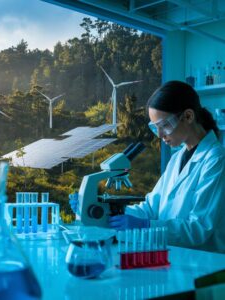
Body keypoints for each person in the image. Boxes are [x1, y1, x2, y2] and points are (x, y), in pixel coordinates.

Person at [70, 80, 225, 253]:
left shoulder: (216, 160)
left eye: (164, 125)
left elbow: (199, 229)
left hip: (205, 265)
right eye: (155, 127)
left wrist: (144, 226)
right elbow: (151, 208)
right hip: (175, 258)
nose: (159, 135)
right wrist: (100, 210)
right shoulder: (177, 159)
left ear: (188, 116)